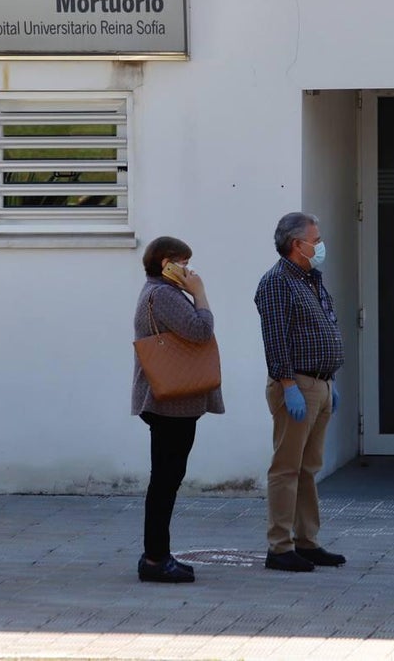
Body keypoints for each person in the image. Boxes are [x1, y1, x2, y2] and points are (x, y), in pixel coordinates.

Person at [254, 212, 347, 572]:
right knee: (286, 468)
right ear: (297, 244)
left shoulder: (310, 279)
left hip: (321, 384)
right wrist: (288, 384)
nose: (320, 245)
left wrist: (330, 383)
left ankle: (306, 541)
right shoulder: (278, 282)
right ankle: (279, 546)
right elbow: (275, 339)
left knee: (308, 468)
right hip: (298, 386)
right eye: (316, 239)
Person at [132, 236, 224, 583]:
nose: (189, 269)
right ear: (165, 263)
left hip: (170, 402)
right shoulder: (164, 295)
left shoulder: (158, 292)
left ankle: (158, 555)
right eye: (183, 262)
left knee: (167, 478)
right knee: (165, 480)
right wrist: (199, 293)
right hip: (170, 403)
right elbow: (201, 331)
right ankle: (155, 558)